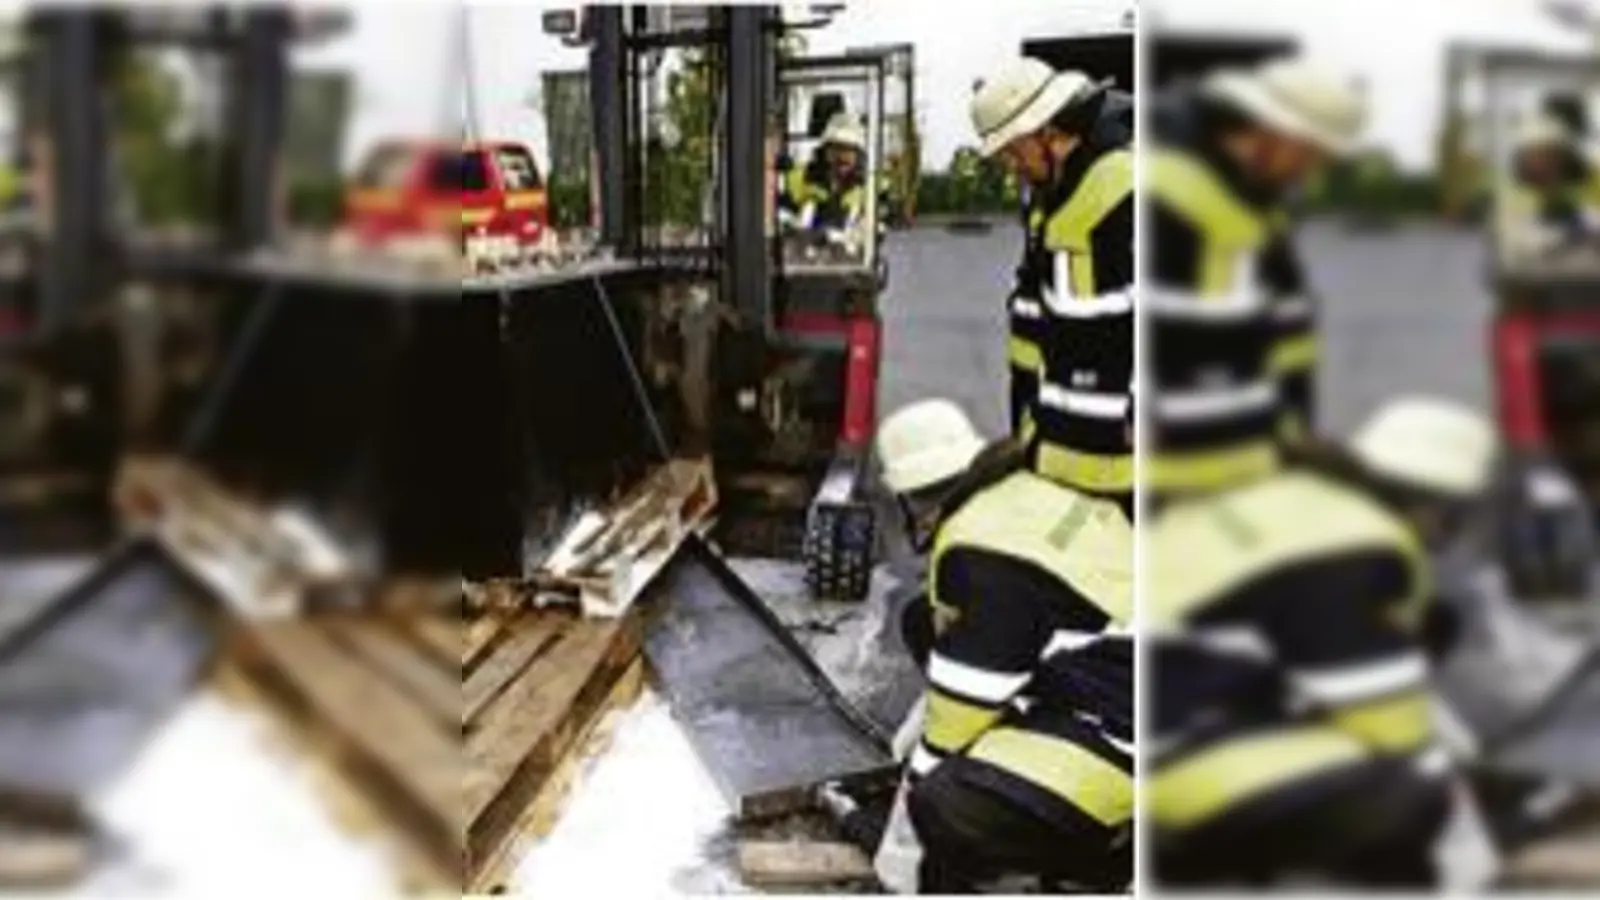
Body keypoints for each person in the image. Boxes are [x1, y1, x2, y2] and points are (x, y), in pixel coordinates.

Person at [1147, 396, 1496, 888]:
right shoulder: (1351, 547)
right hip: (1173, 743)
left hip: (1150, 707)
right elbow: (1392, 729)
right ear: (1430, 506)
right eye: (1450, 522)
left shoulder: (1291, 501)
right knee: (1404, 797)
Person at [872, 398, 1134, 893]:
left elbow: (966, 703)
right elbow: (977, 632)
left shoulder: (979, 552)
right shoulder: (1022, 492)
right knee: (922, 619)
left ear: (911, 498)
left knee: (946, 807)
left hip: (1128, 724)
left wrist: (916, 794)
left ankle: (1104, 860)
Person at [1146, 57, 1366, 504]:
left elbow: (1278, 335)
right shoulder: (1168, 198)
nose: (1309, 174)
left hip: (1245, 470)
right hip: (1180, 484)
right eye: (1309, 156)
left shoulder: (1254, 202)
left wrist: (1293, 439)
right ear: (1275, 133)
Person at [969, 58, 1135, 517]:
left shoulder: (1119, 187)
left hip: (1116, 469)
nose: (1011, 168)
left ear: (1045, 131)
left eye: (1012, 152)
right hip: (1060, 447)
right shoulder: (1059, 191)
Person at [1502, 114, 1600, 250]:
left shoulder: (1589, 187)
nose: (1541, 164)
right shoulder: (1513, 200)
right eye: (1534, 156)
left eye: (1549, 155)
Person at [779, 113, 869, 234]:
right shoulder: (799, 179)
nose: (842, 156)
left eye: (849, 149)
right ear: (825, 151)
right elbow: (782, 216)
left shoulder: (868, 190)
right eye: (837, 148)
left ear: (859, 155)